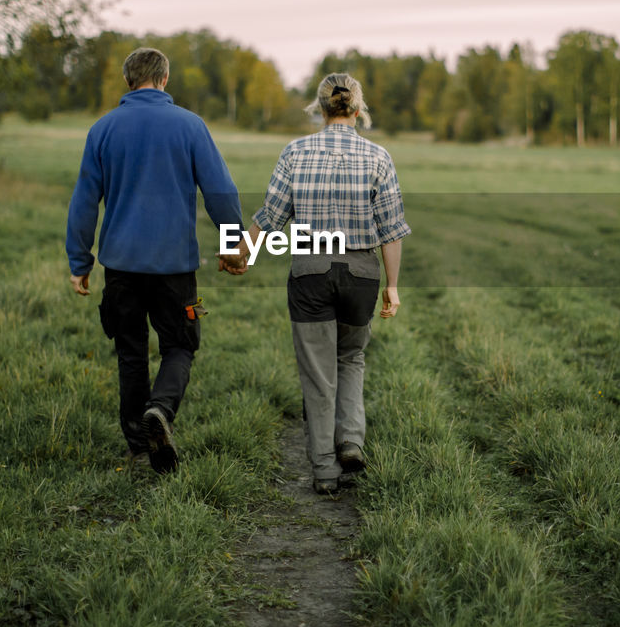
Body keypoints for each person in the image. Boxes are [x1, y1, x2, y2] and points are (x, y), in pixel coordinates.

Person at [66, 47, 248, 474]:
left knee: (130, 352)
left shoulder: (103, 129)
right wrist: (233, 243)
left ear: (129, 80)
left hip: (120, 266)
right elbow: (220, 192)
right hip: (174, 268)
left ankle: (138, 446)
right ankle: (161, 411)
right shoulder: (190, 125)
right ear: (164, 79)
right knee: (181, 344)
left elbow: (84, 202)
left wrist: (80, 261)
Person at [240, 72, 411, 494]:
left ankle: (324, 471)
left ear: (319, 108)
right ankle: (350, 442)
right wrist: (392, 286)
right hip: (361, 273)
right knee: (351, 359)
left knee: (318, 375)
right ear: (357, 108)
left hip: (310, 271)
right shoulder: (378, 157)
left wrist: (240, 251)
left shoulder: (295, 151)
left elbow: (270, 215)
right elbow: (391, 230)